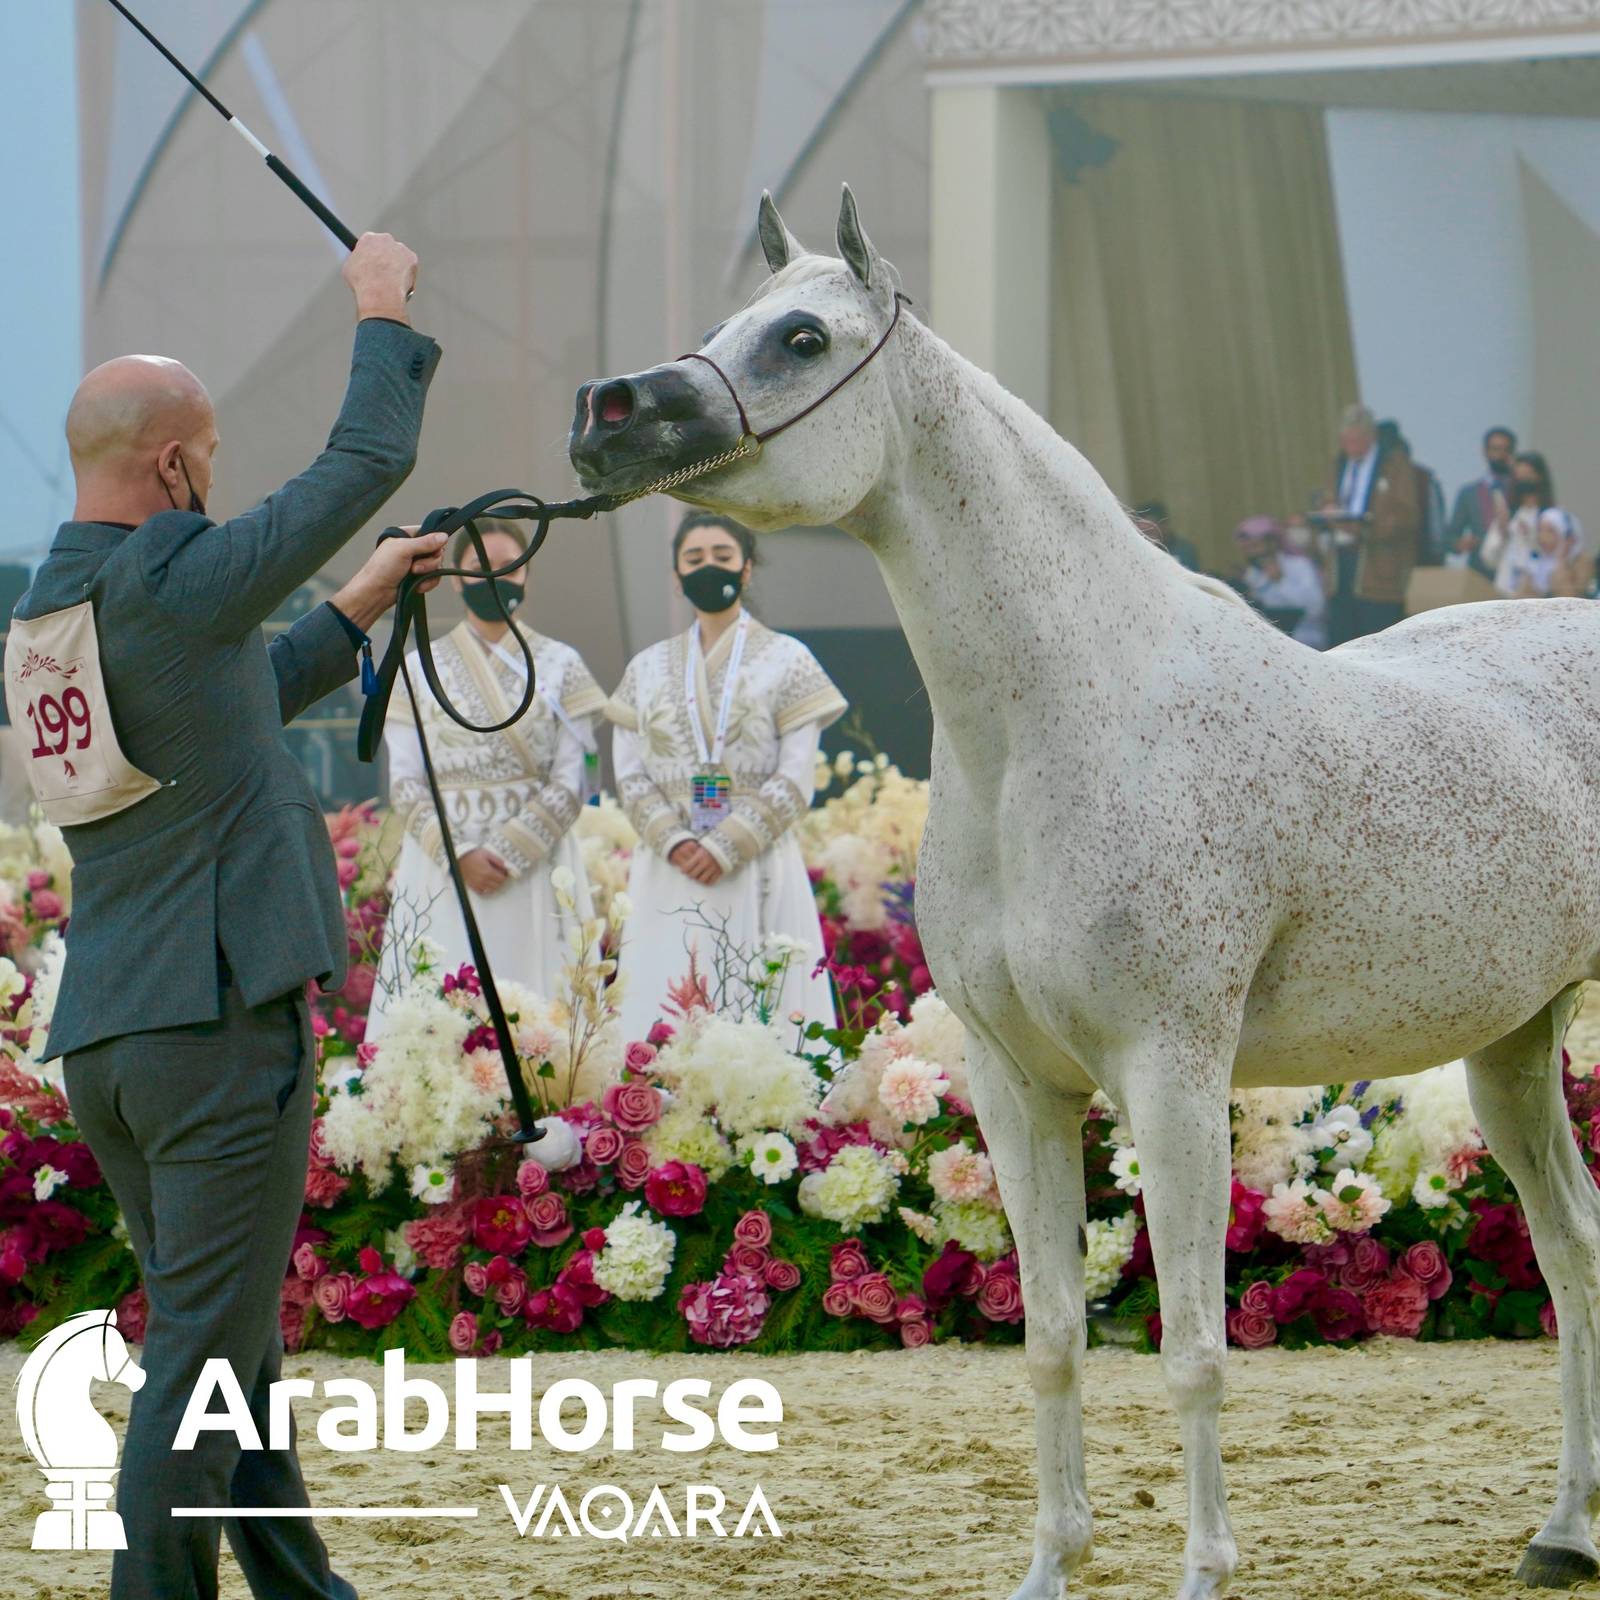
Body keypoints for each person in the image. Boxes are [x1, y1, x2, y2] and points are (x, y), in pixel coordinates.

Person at [13, 233, 441, 1600]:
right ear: (181, 469)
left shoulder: (49, 610)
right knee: (198, 1369)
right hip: (215, 1026)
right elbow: (364, 466)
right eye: (214, 461)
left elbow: (214, 722)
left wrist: (356, 605)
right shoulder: (174, 571)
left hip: (117, 1038)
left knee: (229, 1353)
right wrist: (379, 313)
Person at [605, 512, 846, 1042]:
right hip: (669, 866)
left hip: (757, 858)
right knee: (663, 1014)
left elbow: (796, 774)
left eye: (722, 557)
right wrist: (674, 840)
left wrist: (726, 845)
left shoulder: (790, 660)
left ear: (747, 569)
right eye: (693, 559)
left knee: (766, 1011)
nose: (707, 568)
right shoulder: (646, 668)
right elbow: (629, 773)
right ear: (675, 575)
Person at [369, 518, 607, 1031]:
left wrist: (508, 851)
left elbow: (576, 777)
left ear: (527, 574)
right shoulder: (418, 667)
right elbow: (406, 781)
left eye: (508, 567)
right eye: (480, 568)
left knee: (549, 1026)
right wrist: (460, 855)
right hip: (443, 866)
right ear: (457, 578)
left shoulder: (563, 664)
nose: (496, 579)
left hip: (537, 865)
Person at [1318, 403, 1421, 641]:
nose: (1348, 447)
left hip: (1378, 572)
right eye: (1344, 441)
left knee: (1376, 640)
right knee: (1341, 641)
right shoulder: (1340, 463)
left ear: (1370, 437)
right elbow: (1329, 496)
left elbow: (1406, 516)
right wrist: (1329, 511)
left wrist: (1363, 528)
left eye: (1354, 441)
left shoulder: (1394, 464)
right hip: (1340, 568)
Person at [1235, 516, 1327, 649]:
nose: (1251, 551)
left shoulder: (1300, 565)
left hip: (1306, 641)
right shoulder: (1252, 573)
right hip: (1268, 645)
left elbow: (1316, 608)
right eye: (1246, 547)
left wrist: (1280, 581)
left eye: (1255, 545)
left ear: (1272, 543)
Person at [1445, 425, 1516, 576]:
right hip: (1479, 571)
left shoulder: (1520, 490)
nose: (1501, 455)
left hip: (1514, 570)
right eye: (1495, 449)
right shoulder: (1469, 493)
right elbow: (1451, 536)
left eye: (1506, 449)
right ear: (1485, 452)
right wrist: (1461, 543)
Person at [1483, 450, 1557, 595]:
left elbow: (1554, 558)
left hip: (1537, 593)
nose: (1524, 480)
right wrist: (1503, 532)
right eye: (1520, 476)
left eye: (1528, 475)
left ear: (1539, 477)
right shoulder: (1509, 516)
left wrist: (1532, 536)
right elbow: (1488, 559)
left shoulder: (1551, 516)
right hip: (1504, 591)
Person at [1501, 506, 1590, 599]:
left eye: (1550, 531)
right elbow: (1520, 599)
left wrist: (1561, 560)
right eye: (1540, 530)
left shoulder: (1581, 561)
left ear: (1564, 533)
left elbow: (1570, 599)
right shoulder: (1537, 562)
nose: (1543, 537)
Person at [1133, 499, 1200, 572]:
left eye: (1150, 532)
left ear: (1164, 526)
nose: (1146, 538)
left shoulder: (1183, 550)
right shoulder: (1136, 552)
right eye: (1141, 533)